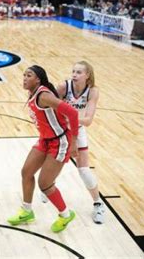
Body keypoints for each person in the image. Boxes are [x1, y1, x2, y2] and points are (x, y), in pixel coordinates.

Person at [7, 65, 79, 233]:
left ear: (38, 79)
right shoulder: (32, 93)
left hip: (60, 141)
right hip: (45, 140)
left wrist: (74, 142)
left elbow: (73, 114)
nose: (24, 78)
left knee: (45, 184)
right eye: (24, 75)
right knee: (26, 172)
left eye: (29, 75)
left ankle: (65, 214)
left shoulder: (44, 96)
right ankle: (27, 211)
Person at [57, 61, 105, 223]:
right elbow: (52, 110)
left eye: (78, 72)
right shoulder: (63, 87)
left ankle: (98, 204)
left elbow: (88, 120)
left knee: (84, 170)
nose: (74, 75)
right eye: (73, 71)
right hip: (60, 129)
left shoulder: (92, 91)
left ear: (87, 75)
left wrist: (72, 120)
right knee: (52, 162)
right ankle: (47, 188)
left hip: (78, 129)